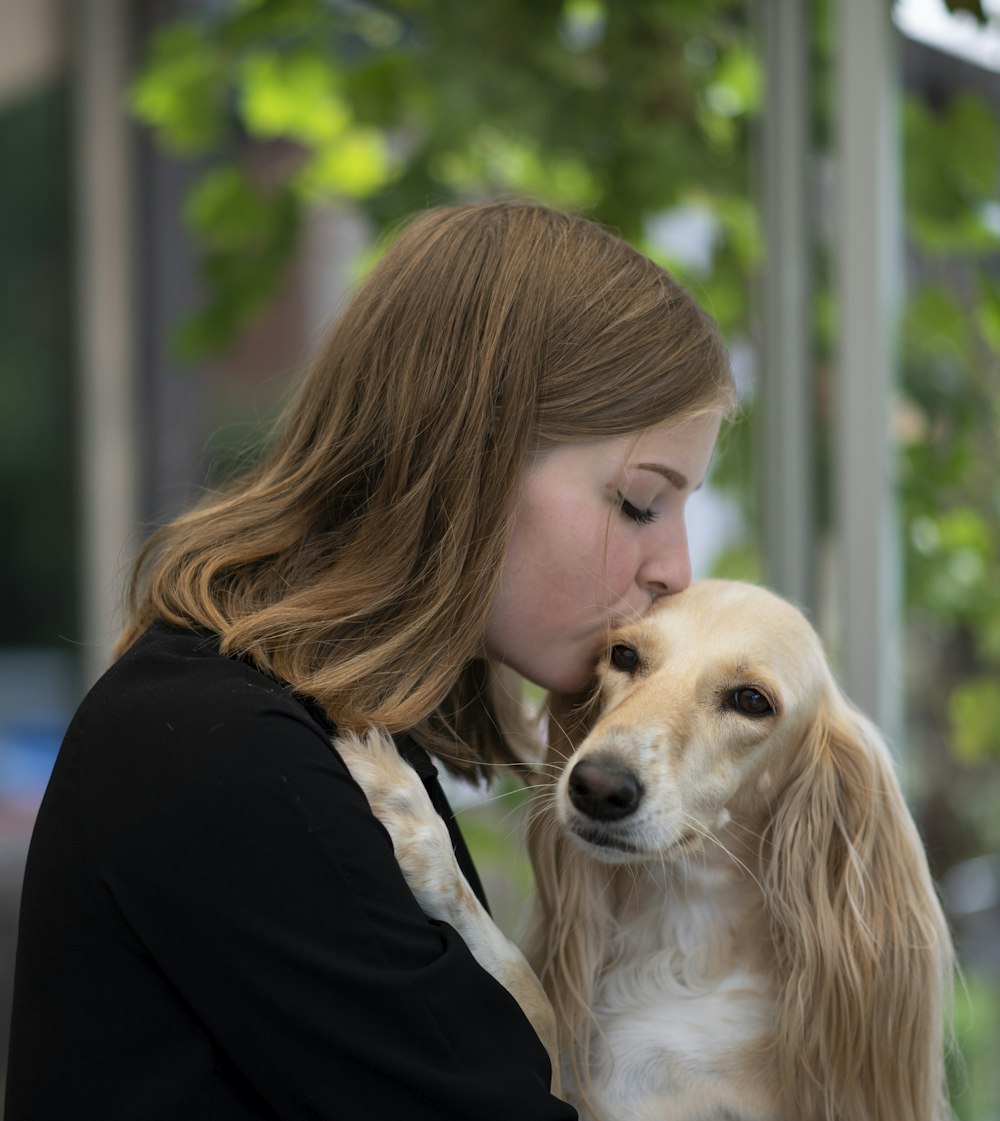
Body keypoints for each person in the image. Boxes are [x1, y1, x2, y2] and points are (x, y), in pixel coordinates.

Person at [6, 201, 735, 1119]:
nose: (675, 569)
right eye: (638, 501)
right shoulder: (226, 752)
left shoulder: (329, 735)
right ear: (476, 451)